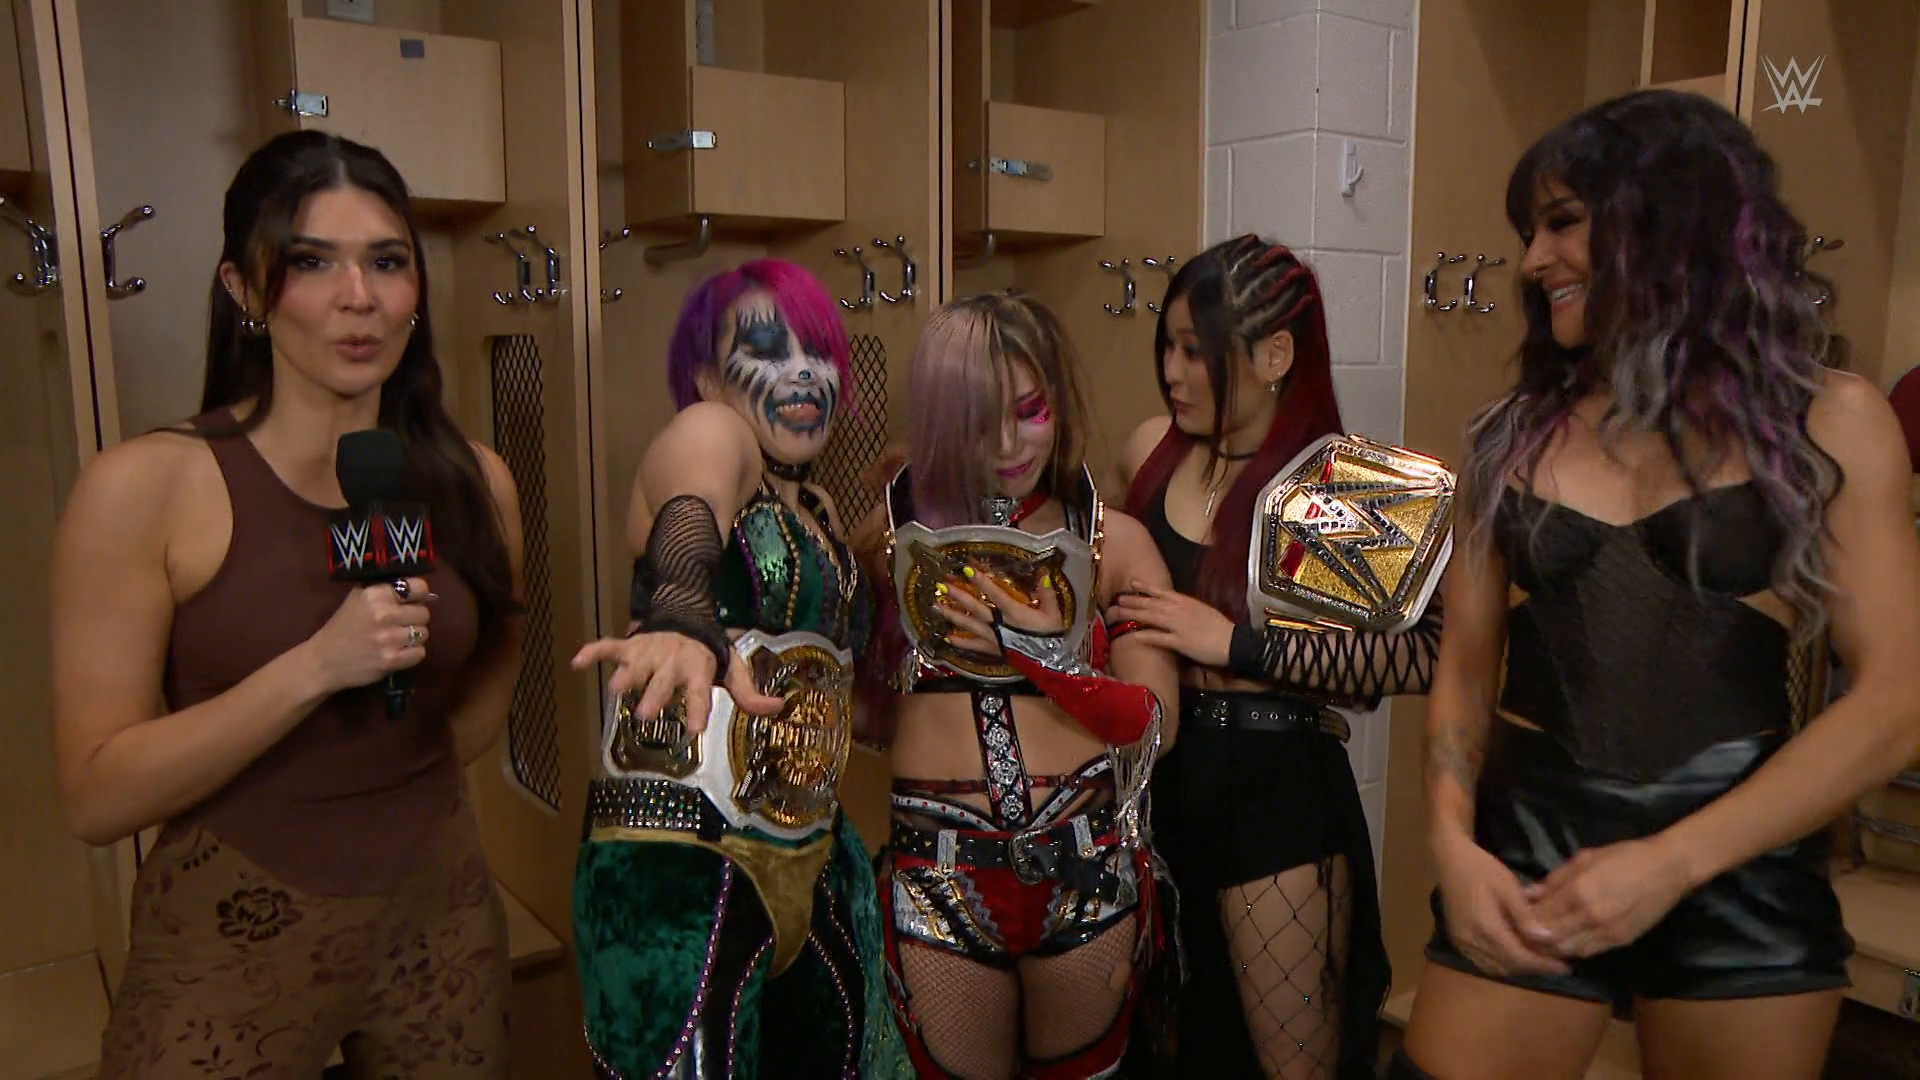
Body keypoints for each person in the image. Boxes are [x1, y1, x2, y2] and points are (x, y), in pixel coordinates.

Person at [1396, 88, 1920, 1080]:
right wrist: (1453, 850)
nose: (1533, 260)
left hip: (1739, 855)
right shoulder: (1512, 436)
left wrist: (1673, 862)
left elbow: (1897, 702)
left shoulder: (1829, 421)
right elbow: (1464, 671)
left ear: (1664, 220)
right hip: (1531, 842)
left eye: (1561, 224)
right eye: (1529, 233)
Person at [55, 130, 525, 1077]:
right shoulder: (144, 486)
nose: (359, 297)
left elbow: (489, 685)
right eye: (313, 262)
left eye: (387, 262)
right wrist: (316, 668)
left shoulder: (478, 480)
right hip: (232, 934)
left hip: (439, 921)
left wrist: (391, 771)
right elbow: (97, 796)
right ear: (244, 289)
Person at [1111, 234, 1446, 1079]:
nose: (1173, 372)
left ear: (1274, 356)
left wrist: (1236, 644)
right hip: (1157, 790)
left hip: (1275, 796)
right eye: (1167, 348)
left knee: (1289, 1064)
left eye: (1197, 352)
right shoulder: (1149, 451)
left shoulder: (1334, 487)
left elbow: (1425, 658)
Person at [569, 259, 910, 1079]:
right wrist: (680, 610)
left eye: (818, 351)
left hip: (810, 855)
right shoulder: (709, 433)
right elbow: (690, 516)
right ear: (705, 376)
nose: (803, 371)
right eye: (765, 348)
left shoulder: (818, 510)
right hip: (685, 863)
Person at [854, 290, 1180, 1079]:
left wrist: (1036, 652)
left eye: (1030, 411)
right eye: (977, 421)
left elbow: (1157, 726)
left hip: (1085, 866)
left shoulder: (1112, 543)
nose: (1008, 444)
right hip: (939, 873)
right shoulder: (888, 542)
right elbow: (856, 715)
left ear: (1059, 401)